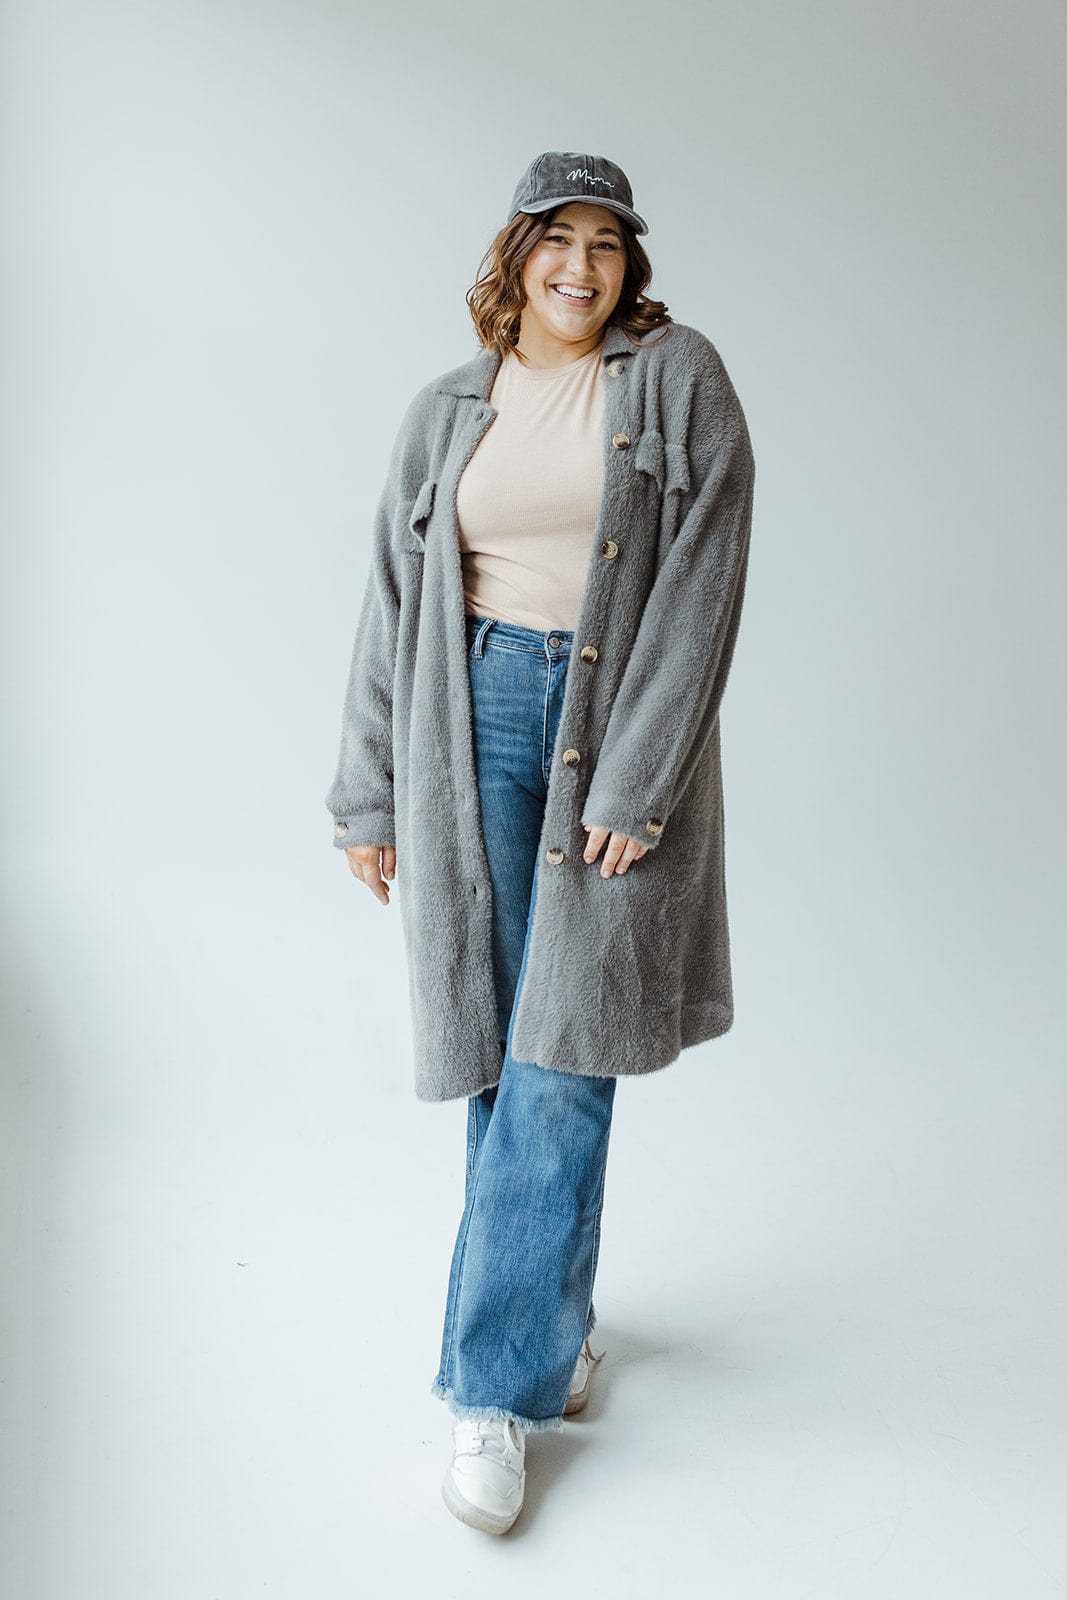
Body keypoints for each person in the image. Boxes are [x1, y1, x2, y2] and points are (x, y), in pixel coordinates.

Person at [324, 151, 756, 1535]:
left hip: (608, 722)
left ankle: (487, 1396)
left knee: (564, 1045)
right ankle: (550, 1336)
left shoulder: (677, 376)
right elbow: (395, 601)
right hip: (473, 717)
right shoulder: (445, 407)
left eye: (607, 245)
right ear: (512, 257)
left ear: (631, 268)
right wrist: (370, 794)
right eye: (555, 240)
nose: (582, 266)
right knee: (506, 1044)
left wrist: (638, 784)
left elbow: (704, 581)